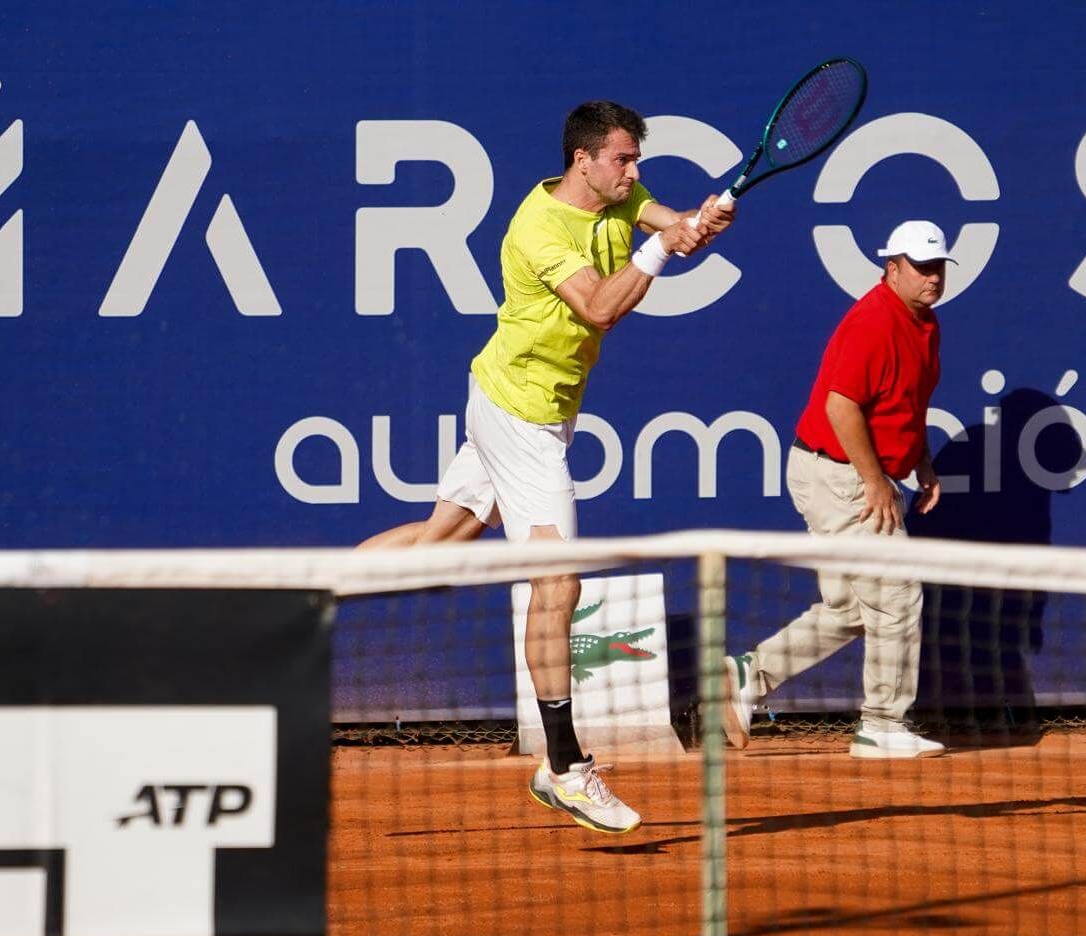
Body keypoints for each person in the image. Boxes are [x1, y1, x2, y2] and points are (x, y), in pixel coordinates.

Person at [366, 101, 735, 831]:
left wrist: (693, 223)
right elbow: (599, 308)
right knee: (557, 580)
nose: (634, 172)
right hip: (521, 416)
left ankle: (305, 601)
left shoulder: (619, 192)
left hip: (523, 401)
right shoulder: (537, 228)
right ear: (583, 161)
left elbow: (659, 219)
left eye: (636, 161)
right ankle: (564, 765)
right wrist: (664, 250)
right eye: (624, 159)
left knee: (442, 541)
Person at [722, 220, 951, 759]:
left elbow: (905, 404)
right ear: (891, 268)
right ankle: (881, 725)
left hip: (845, 473)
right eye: (921, 267)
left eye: (938, 267)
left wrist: (922, 463)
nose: (932, 277)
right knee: (896, 594)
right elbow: (840, 405)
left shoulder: (925, 323)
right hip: (839, 475)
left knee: (851, 607)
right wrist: (876, 481)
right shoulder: (873, 321)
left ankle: (748, 675)